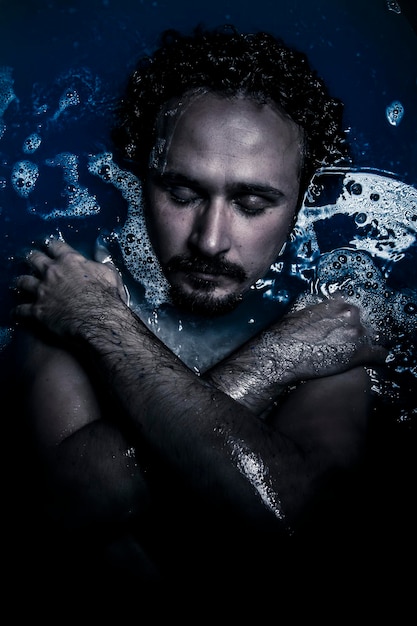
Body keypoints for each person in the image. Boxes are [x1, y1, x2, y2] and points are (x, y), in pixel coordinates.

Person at [10, 25, 388, 596]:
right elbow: (56, 510)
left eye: (252, 203)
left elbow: (292, 521)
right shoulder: (73, 286)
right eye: (181, 194)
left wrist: (101, 328)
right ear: (139, 181)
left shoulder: (328, 318)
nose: (210, 241)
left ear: (304, 203)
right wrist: (277, 361)